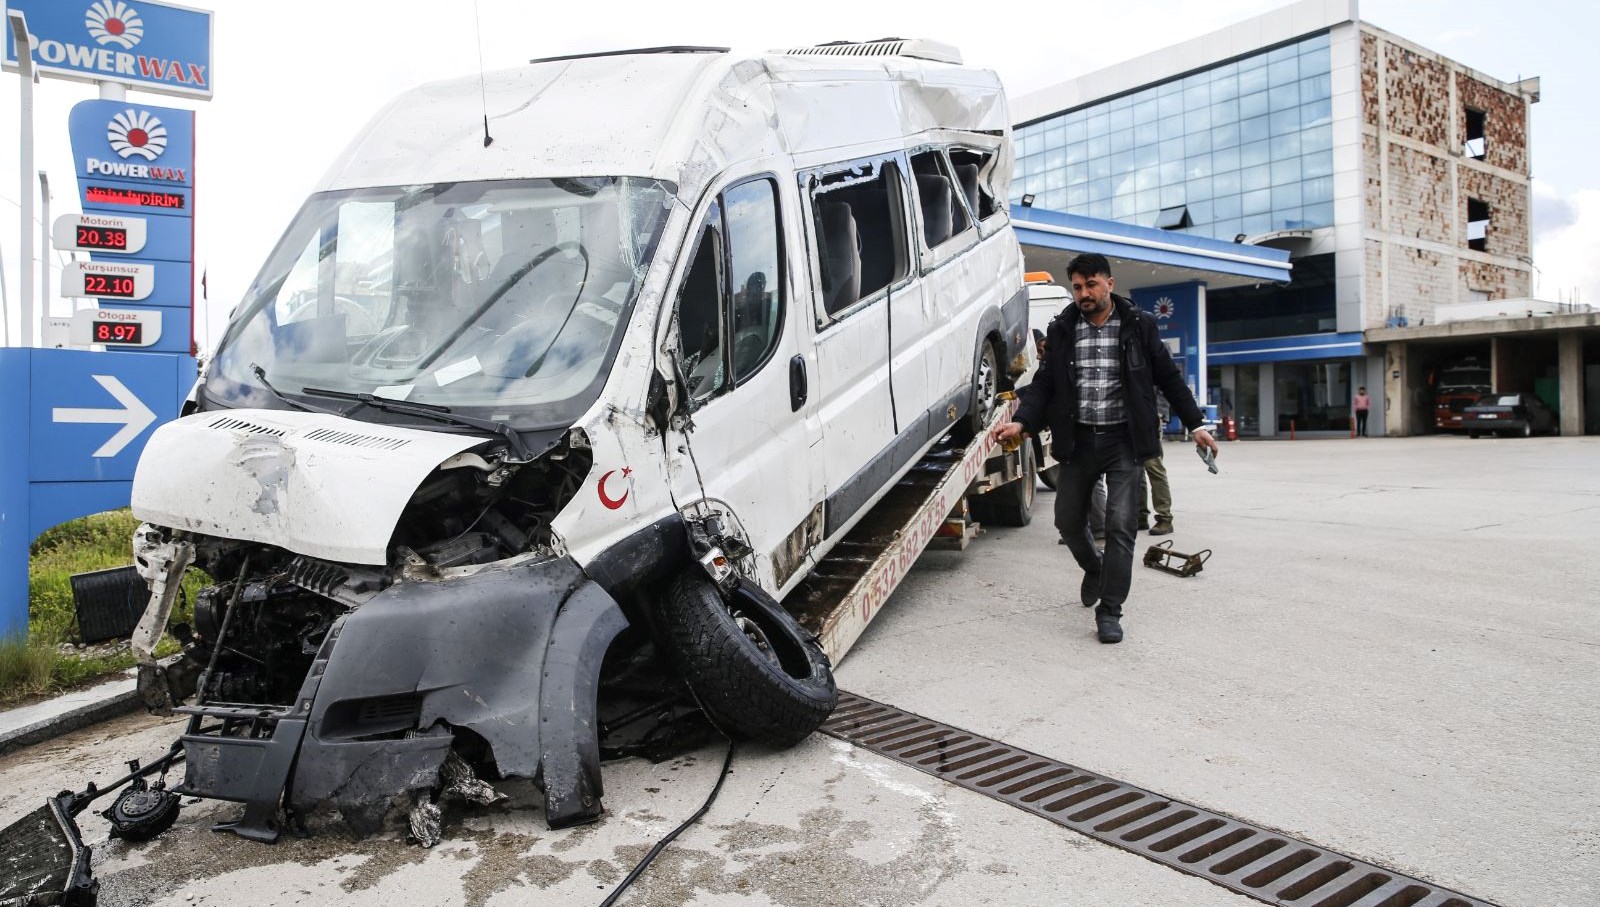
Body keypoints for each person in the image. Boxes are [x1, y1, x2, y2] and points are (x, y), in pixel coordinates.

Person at [994, 253, 1218, 644]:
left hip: (1123, 442)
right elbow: (1045, 385)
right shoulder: (1062, 328)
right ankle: (1094, 568)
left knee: (1120, 526)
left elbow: (1168, 377)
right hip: (1079, 440)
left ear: (1109, 284)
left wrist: (1196, 423)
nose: (1084, 293)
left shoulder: (1138, 325)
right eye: (1078, 287)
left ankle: (1110, 610)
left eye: (1091, 284)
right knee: (1066, 521)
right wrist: (1023, 421)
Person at [1137, 395, 1174, 535]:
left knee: (1154, 467)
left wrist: (1158, 413)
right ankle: (1139, 516)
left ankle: (1165, 518)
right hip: (1127, 418)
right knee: (1134, 470)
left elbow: (1163, 386)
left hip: (1148, 418)